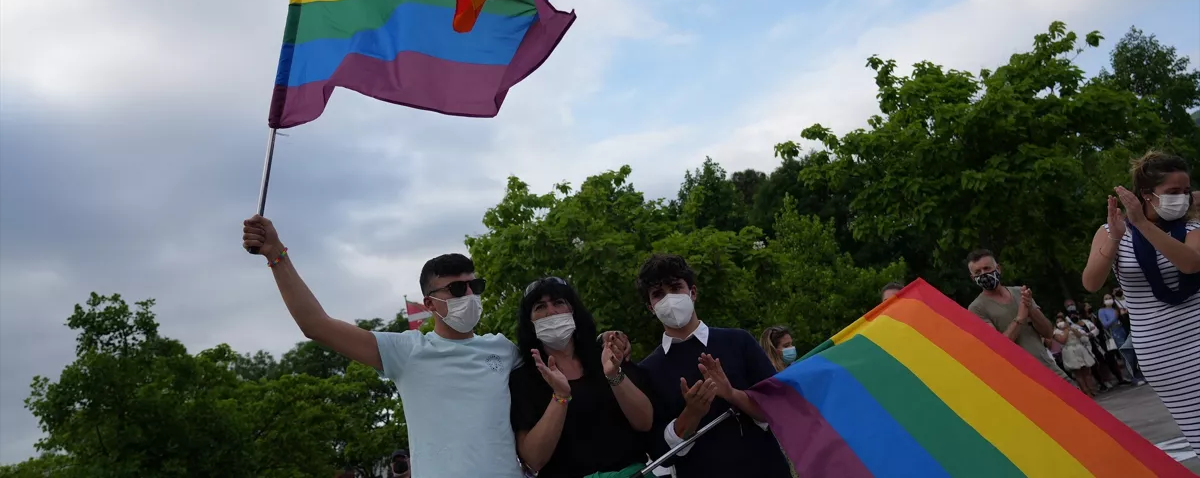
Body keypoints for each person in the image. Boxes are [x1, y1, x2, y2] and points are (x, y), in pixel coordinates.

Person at [242, 216, 524, 478]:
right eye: (458, 290)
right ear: (429, 304)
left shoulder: (505, 350)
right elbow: (316, 325)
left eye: (475, 286)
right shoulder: (407, 351)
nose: (471, 295)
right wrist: (275, 253)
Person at [1081, 151, 1200, 451]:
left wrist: (1143, 225)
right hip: (1160, 350)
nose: (1182, 198)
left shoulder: (1193, 227)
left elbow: (1190, 264)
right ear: (1146, 195)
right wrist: (1116, 238)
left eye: (1185, 191)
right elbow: (1091, 282)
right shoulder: (1111, 232)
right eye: (1173, 192)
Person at [634, 254, 793, 478]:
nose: (669, 299)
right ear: (650, 307)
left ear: (693, 292)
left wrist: (732, 393)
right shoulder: (648, 370)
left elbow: (778, 409)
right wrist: (692, 413)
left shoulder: (739, 341)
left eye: (676, 287)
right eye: (658, 294)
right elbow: (659, 451)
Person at [508, 277, 655, 478]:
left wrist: (614, 376)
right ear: (529, 323)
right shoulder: (522, 379)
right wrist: (560, 397)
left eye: (559, 303)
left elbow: (645, 422)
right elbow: (533, 459)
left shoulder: (607, 355)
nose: (551, 312)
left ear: (574, 311)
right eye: (540, 307)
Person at [965, 249, 1070, 381]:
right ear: (972, 278)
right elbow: (998, 348)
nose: (984, 274)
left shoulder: (1020, 292)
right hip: (1021, 379)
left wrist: (1030, 308)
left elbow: (1048, 332)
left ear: (998, 268)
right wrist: (1020, 317)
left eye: (987, 268)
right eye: (978, 272)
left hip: (1049, 369)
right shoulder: (976, 308)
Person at [1056, 317, 1098, 397]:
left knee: (1086, 370)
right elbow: (1063, 340)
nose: (1060, 323)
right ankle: (1085, 391)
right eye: (1058, 322)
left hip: (1079, 348)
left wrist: (1071, 328)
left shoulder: (1073, 328)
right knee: (1078, 373)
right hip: (1069, 351)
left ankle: (1092, 388)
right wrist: (1066, 330)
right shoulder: (1056, 332)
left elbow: (1080, 336)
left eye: (1061, 321)